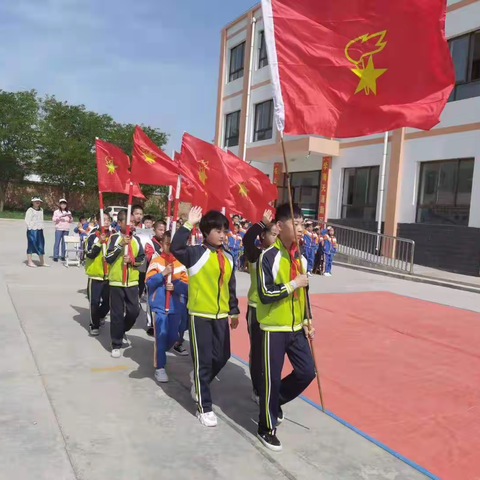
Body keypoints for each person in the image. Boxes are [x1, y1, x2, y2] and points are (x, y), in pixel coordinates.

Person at [171, 207, 240, 428]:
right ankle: (204, 407)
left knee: (222, 356)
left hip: (220, 316)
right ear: (205, 232)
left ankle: (200, 382)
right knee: (203, 361)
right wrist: (188, 224)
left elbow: (230, 285)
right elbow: (175, 247)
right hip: (200, 314)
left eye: (224, 230)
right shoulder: (195, 253)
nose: (222, 234)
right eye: (217, 230)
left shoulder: (228, 256)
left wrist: (234, 309)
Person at [256, 203, 316, 452]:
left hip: (295, 327)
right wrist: (292, 284)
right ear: (279, 227)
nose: (301, 228)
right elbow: (265, 293)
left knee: (307, 372)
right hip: (273, 328)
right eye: (296, 223)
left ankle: (274, 402)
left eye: (303, 224)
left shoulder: (300, 257)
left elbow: (305, 293)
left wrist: (307, 319)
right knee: (271, 379)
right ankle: (266, 426)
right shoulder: (267, 256)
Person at [243, 209, 278, 404]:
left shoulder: (281, 256)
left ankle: (270, 385)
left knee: (272, 352)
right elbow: (247, 240)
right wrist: (262, 223)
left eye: (278, 235)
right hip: (256, 309)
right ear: (263, 236)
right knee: (257, 351)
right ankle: (257, 388)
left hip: (275, 311)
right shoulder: (256, 254)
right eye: (273, 234)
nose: (276, 238)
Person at [146, 231, 189, 382]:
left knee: (173, 336)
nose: (169, 247)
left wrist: (175, 286)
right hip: (159, 306)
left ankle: (161, 351)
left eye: (172, 244)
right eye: (166, 244)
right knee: (161, 335)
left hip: (176, 306)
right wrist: (163, 273)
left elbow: (187, 287)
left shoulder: (181, 264)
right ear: (162, 244)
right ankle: (160, 367)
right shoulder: (156, 261)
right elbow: (149, 283)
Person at [105, 210, 145, 358]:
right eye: (129, 223)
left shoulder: (136, 240)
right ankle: (116, 343)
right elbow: (108, 258)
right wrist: (121, 245)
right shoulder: (114, 238)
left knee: (134, 311)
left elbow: (141, 259)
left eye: (134, 223)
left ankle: (121, 330)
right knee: (116, 313)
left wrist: (132, 261)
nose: (132, 225)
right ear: (120, 223)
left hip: (132, 282)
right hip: (116, 281)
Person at [85, 212, 113, 336]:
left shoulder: (114, 235)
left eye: (108, 220)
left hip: (110, 276)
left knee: (109, 301)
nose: (106, 222)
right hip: (96, 274)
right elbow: (89, 253)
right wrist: (98, 243)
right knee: (94, 301)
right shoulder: (93, 236)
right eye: (103, 220)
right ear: (97, 221)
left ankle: (101, 316)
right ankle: (94, 324)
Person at [144, 220, 167, 337]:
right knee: (151, 299)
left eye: (164, 230)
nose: (162, 232)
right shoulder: (150, 243)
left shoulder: (167, 242)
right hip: (153, 274)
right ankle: (151, 324)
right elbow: (150, 256)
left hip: (166, 275)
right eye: (160, 230)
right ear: (154, 230)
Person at [25, 197, 49, 268]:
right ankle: (30, 261)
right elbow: (27, 220)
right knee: (31, 244)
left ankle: (42, 262)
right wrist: (30, 227)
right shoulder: (30, 210)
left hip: (39, 229)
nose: (37, 203)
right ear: (32, 202)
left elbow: (41, 219)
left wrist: (41, 226)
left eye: (38, 202)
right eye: (36, 201)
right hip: (32, 230)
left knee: (41, 244)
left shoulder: (41, 210)